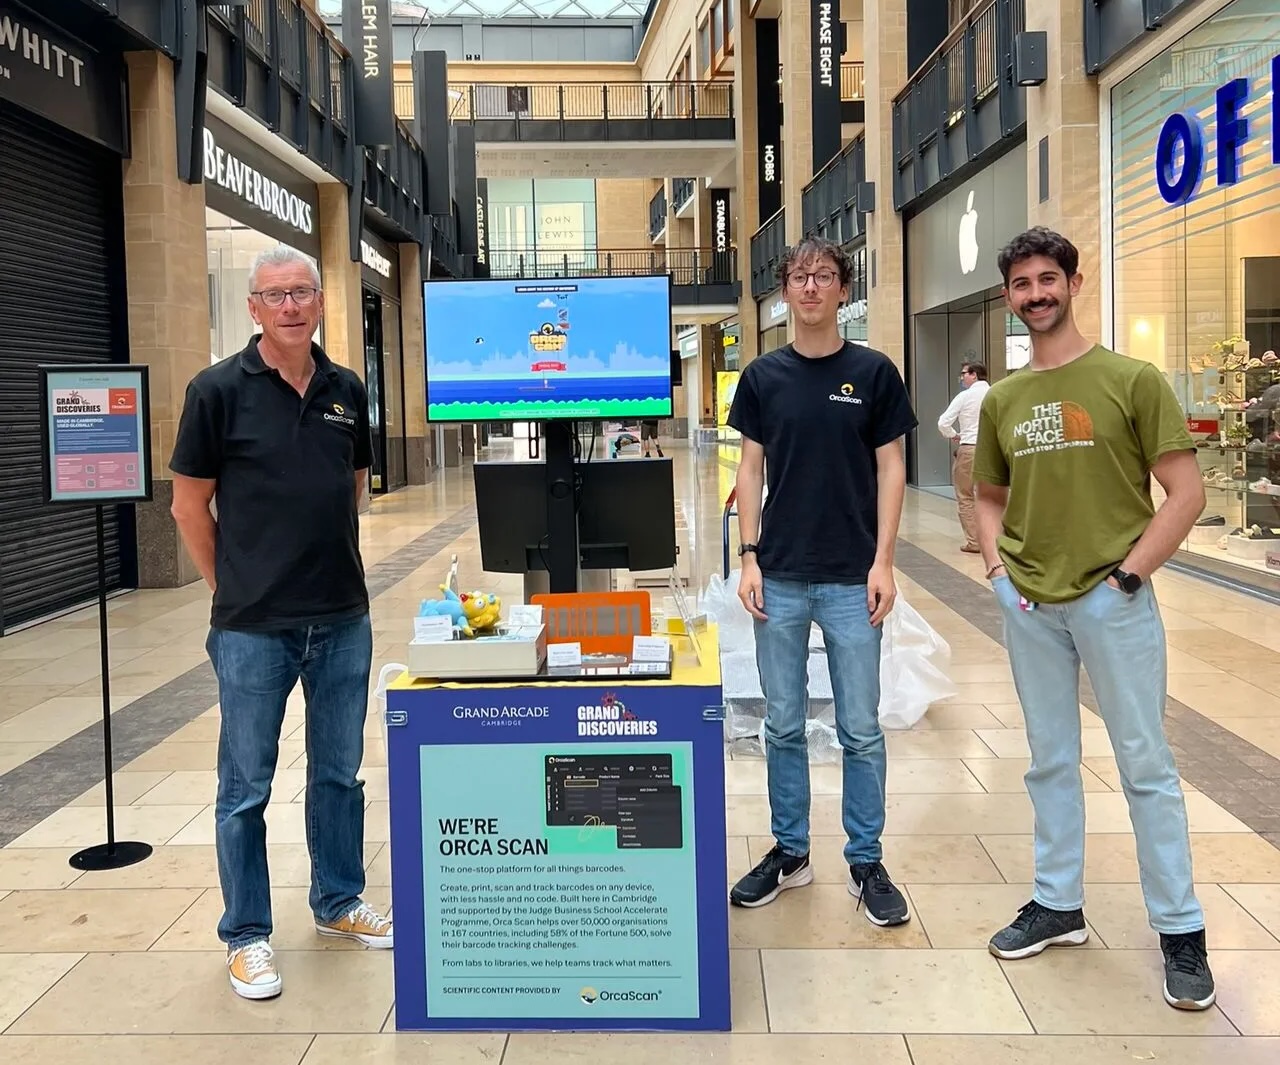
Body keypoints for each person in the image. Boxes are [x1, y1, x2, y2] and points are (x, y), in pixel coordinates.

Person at [972, 226, 1214, 1010]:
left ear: (1074, 283)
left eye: (1048, 278)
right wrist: (998, 574)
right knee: (1048, 761)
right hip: (1031, 604)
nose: (1036, 293)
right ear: (1008, 297)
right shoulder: (1003, 399)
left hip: (1115, 601)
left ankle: (1180, 929)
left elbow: (1186, 492)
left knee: (1145, 764)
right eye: (1021, 283)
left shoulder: (1130, 379)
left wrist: (1130, 576)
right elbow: (986, 495)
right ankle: (1058, 903)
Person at [170, 245, 392, 1001]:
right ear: (254, 308)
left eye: (302, 291)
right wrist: (230, 585)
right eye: (275, 295)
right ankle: (247, 934)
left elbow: (353, 484)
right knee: (245, 786)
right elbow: (187, 504)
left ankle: (337, 901)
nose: (291, 305)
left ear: (322, 300)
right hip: (253, 626)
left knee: (338, 774)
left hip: (341, 617)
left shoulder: (347, 389)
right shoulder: (216, 391)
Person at [726, 236, 918, 925]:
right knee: (781, 724)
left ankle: (865, 860)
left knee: (861, 727)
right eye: (800, 276)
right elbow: (749, 469)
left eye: (825, 276)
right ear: (784, 291)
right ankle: (790, 851)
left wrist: (884, 560)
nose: (811, 287)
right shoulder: (762, 377)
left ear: (844, 290)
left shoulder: (873, 372)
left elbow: (891, 469)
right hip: (778, 573)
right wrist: (749, 555)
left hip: (850, 576)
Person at [937, 361, 990, 553]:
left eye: (964, 374)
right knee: (992, 496)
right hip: (992, 450)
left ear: (974, 375)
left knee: (965, 495)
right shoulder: (996, 393)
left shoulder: (965, 396)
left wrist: (954, 435)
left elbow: (943, 422)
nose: (962, 377)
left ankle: (975, 542)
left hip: (970, 448)